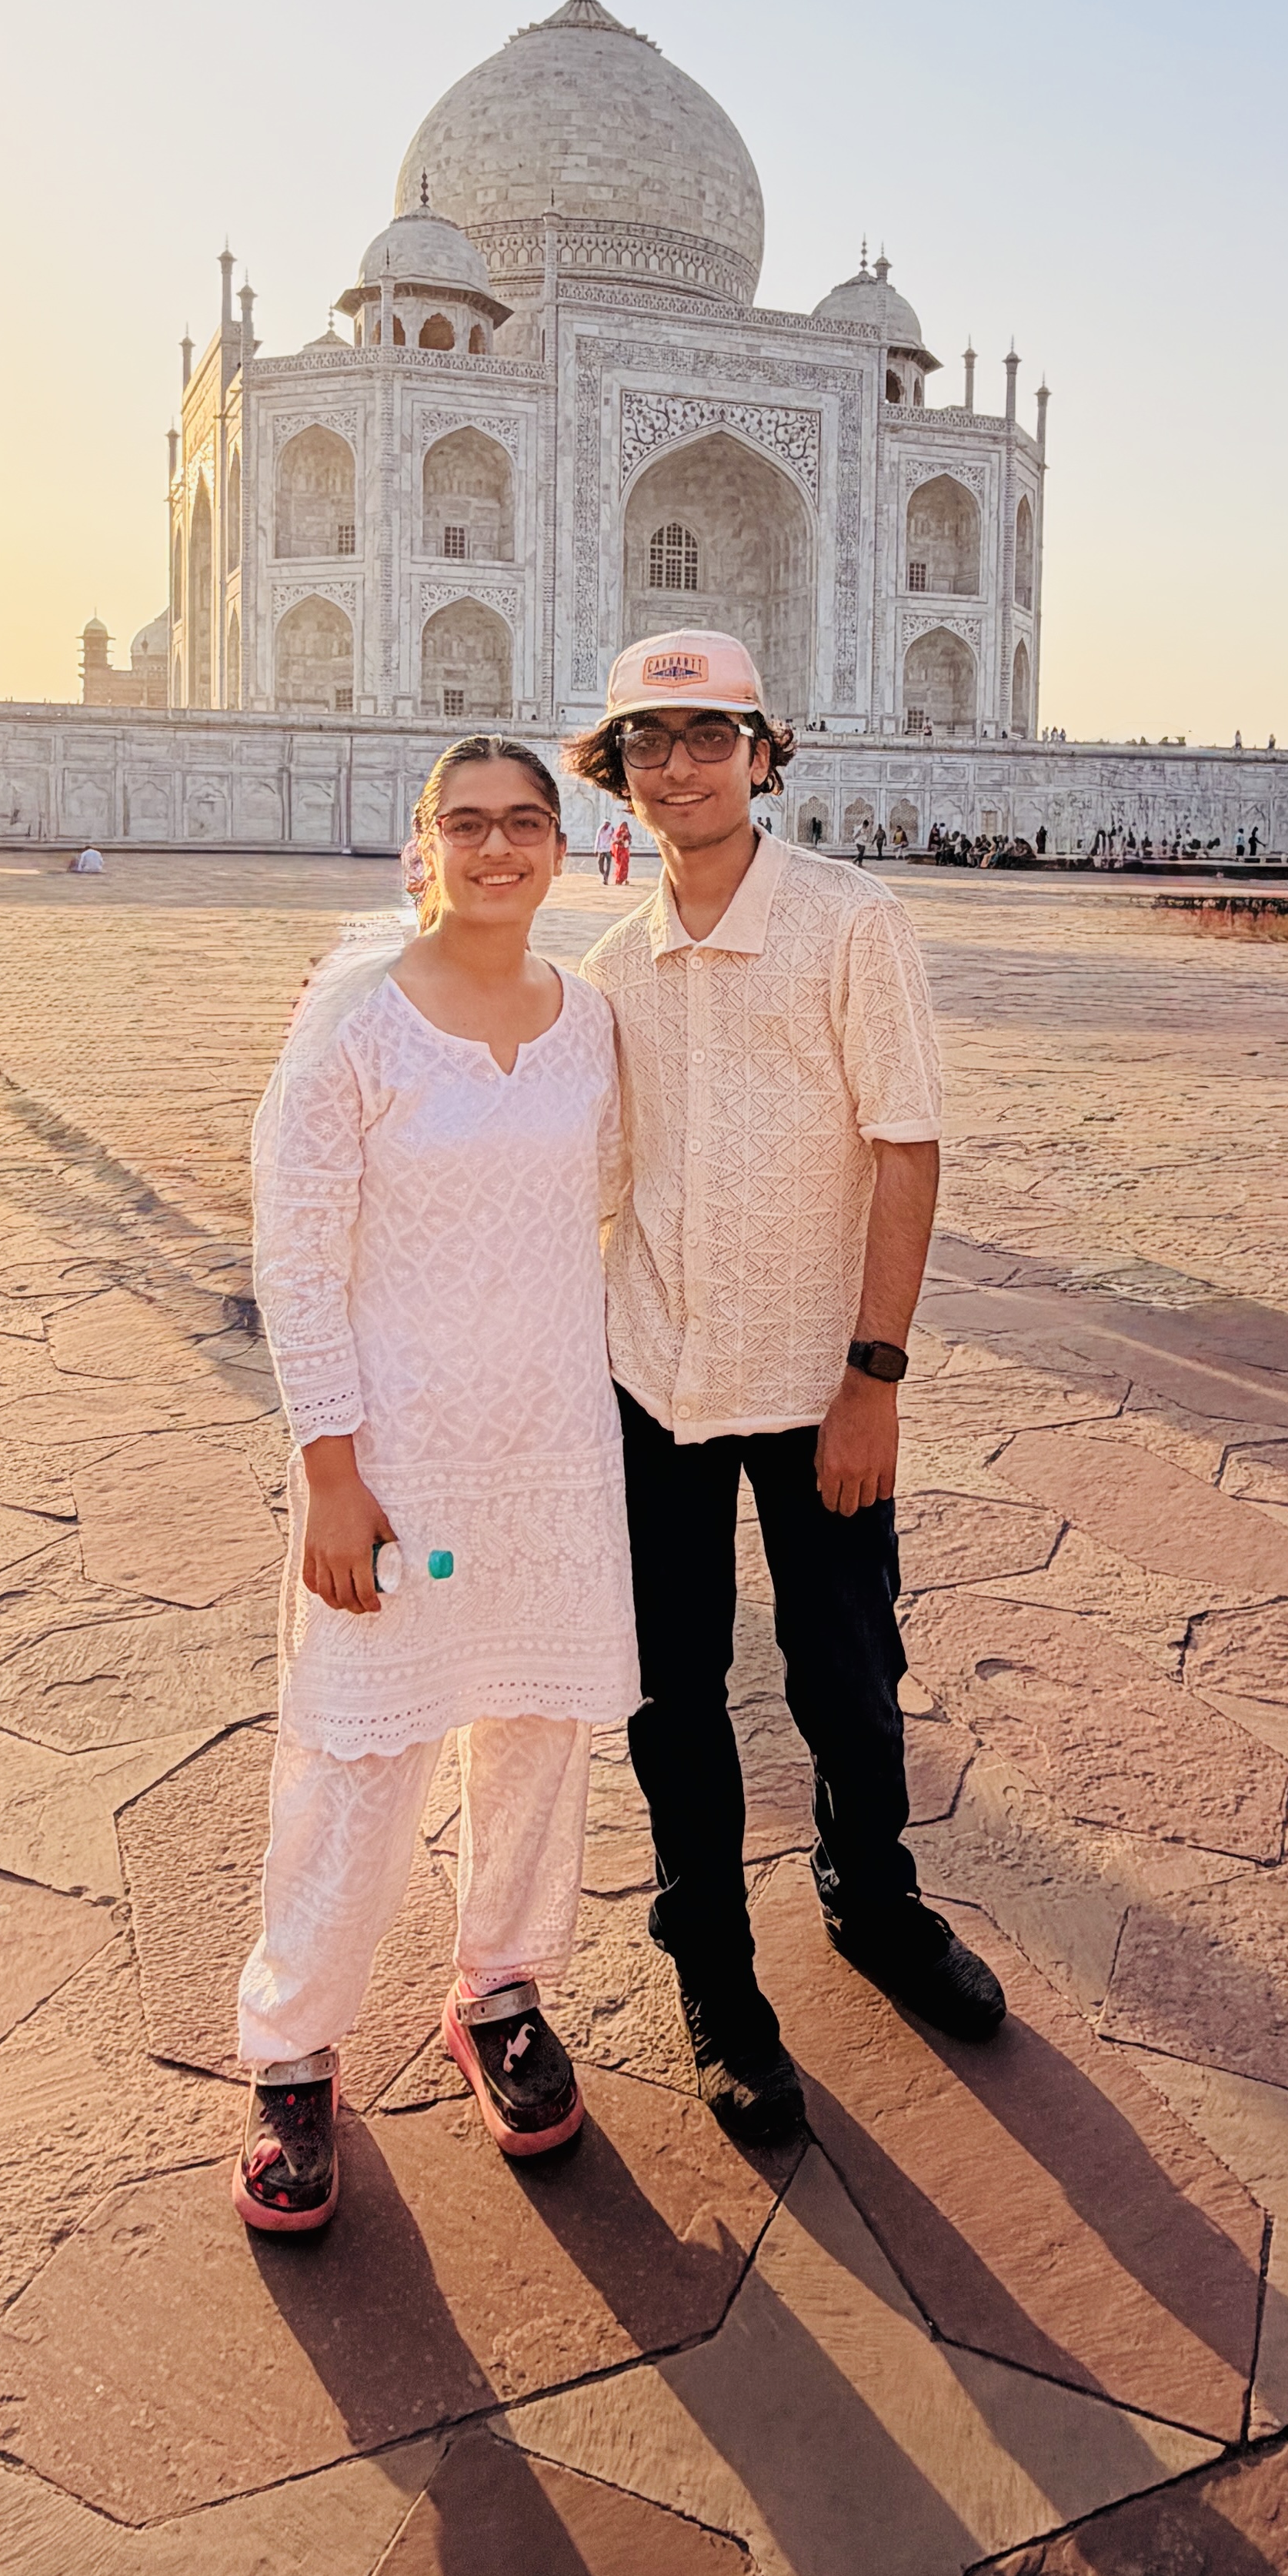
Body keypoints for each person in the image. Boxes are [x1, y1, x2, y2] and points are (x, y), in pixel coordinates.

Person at [569, 627, 1003, 2150]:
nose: (675, 765)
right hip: (652, 1384)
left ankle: (870, 1900)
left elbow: (905, 1147)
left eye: (705, 734)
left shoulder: (846, 923)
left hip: (817, 1382)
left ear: (762, 751)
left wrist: (872, 1377)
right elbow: (583, 1181)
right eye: (646, 742)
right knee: (668, 1700)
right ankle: (713, 1979)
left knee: (843, 1674)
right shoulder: (610, 965)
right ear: (612, 772)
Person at [231, 737, 638, 2236]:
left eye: (522, 824)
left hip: (541, 1459)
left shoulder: (585, 1022)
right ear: (422, 847)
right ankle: (290, 2050)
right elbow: (294, 1249)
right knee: (359, 1748)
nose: (495, 850)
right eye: (464, 825)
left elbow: (604, 1200)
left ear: (558, 846)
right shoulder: (354, 1019)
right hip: (389, 1467)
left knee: (534, 1728)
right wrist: (329, 1470)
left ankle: (501, 1988)